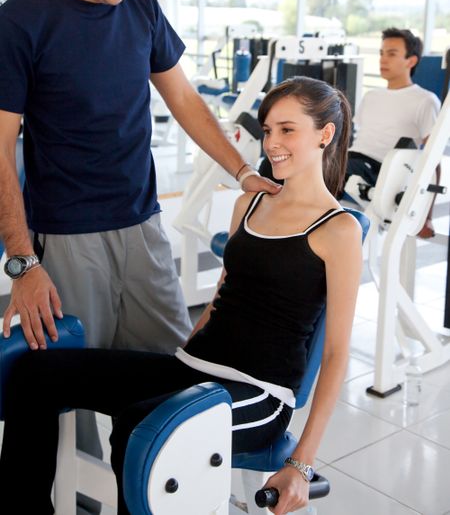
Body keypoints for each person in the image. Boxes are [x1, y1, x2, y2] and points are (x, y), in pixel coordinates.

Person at [0, 0, 278, 515]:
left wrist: (243, 172)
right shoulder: (20, 22)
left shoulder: (139, 1)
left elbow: (182, 98)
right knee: (58, 392)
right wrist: (23, 263)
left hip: (143, 227)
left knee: (170, 385)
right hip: (67, 237)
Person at [0, 76, 363, 515]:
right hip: (194, 367)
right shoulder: (249, 204)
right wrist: (184, 354)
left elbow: (336, 354)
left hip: (258, 394)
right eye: (268, 130)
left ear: (325, 134)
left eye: (287, 130)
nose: (272, 143)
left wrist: (301, 464)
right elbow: (223, 294)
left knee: (139, 429)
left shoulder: (338, 229)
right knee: (35, 373)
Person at [345, 27, 441, 237]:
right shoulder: (371, 96)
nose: (383, 59)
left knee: (324, 172)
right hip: (353, 161)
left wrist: (426, 217)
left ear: (411, 61)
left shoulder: (425, 100)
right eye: (381, 53)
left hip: (383, 171)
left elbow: (433, 160)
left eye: (391, 54)